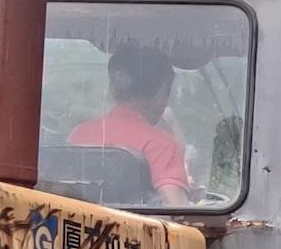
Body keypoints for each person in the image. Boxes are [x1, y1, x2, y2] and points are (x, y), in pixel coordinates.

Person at [69, 45, 191, 203]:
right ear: (162, 91)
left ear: (113, 89)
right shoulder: (161, 144)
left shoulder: (79, 134)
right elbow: (176, 210)